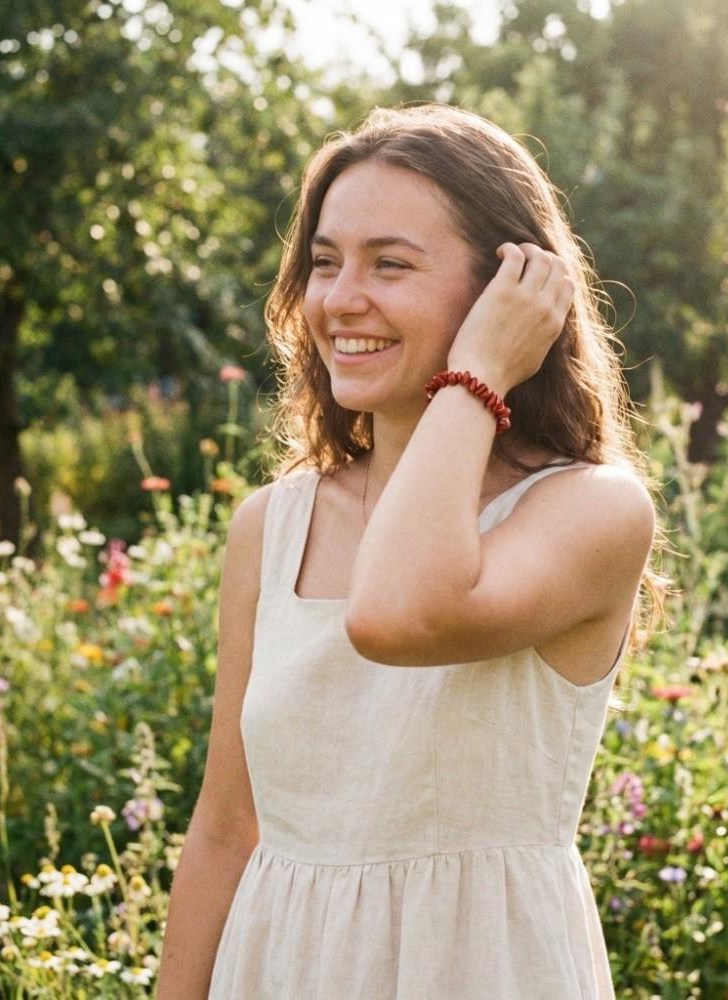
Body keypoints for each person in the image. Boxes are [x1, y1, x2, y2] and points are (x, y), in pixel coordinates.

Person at [157, 102, 666, 1000]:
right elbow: (226, 829)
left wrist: (475, 378)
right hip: (278, 972)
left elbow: (397, 614)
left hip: (480, 972)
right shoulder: (270, 528)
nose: (340, 298)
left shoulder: (592, 510)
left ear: (505, 292)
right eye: (324, 262)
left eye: (389, 263)